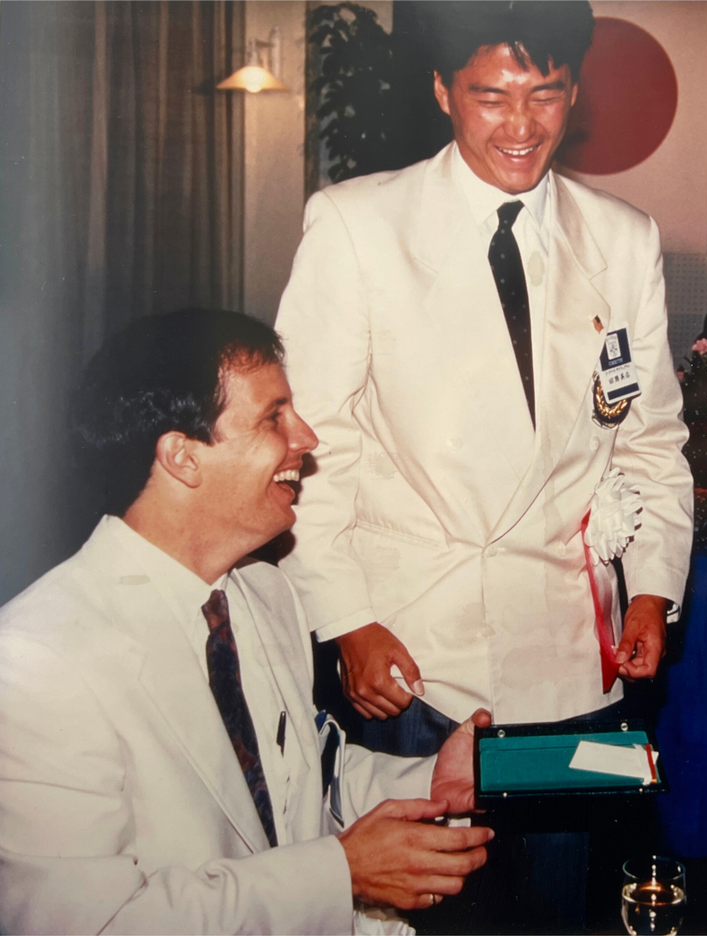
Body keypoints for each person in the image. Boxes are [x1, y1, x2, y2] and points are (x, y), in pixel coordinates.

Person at [275, 2, 692, 771]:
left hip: (574, 657)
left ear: (575, 92)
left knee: (566, 888)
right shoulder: (357, 226)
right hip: (414, 659)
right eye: (490, 97)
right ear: (442, 90)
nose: (521, 126)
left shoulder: (624, 239)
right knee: (418, 886)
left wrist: (650, 590)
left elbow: (649, 437)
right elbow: (311, 448)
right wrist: (346, 621)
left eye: (546, 94)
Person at [0, 310, 493, 935]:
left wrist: (428, 778)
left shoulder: (265, 593)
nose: (307, 437)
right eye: (273, 417)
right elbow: (89, 926)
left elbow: (298, 787)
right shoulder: (37, 661)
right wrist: (337, 875)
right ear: (182, 456)